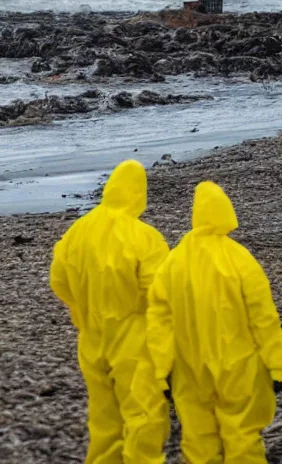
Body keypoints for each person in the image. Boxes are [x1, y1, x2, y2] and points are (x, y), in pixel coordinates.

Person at [147, 181, 282, 463]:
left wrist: (161, 370)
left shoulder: (172, 263)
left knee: (198, 440)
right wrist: (276, 364)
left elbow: (158, 322)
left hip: (189, 369)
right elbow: (263, 317)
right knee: (243, 436)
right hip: (239, 367)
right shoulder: (240, 259)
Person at [49, 159, 171, 464]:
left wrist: (81, 311)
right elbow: (162, 291)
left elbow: (59, 280)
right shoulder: (143, 236)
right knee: (142, 413)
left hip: (91, 337)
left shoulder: (77, 231)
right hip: (134, 335)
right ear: (138, 193)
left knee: (104, 418)